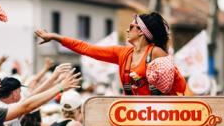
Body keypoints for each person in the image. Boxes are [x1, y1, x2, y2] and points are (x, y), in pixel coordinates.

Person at [35, 12, 187, 96]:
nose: (127, 30)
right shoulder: (122, 54)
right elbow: (87, 49)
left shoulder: (156, 53)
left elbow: (180, 85)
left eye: (131, 26)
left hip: (160, 116)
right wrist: (56, 37)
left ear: (141, 31)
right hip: (135, 116)